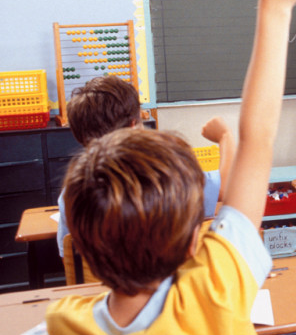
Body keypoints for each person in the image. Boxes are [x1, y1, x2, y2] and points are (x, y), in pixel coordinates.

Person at [45, 0, 296, 335]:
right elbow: (257, 139)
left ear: (84, 247)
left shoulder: (64, 324)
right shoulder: (215, 291)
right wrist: (275, 5)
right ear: (194, 243)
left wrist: (275, 5)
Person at [55, 75, 233, 258]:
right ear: (134, 126)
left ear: (80, 136)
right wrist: (225, 137)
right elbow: (227, 188)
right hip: (170, 282)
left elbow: (69, 257)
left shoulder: (72, 193)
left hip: (104, 285)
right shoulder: (166, 176)